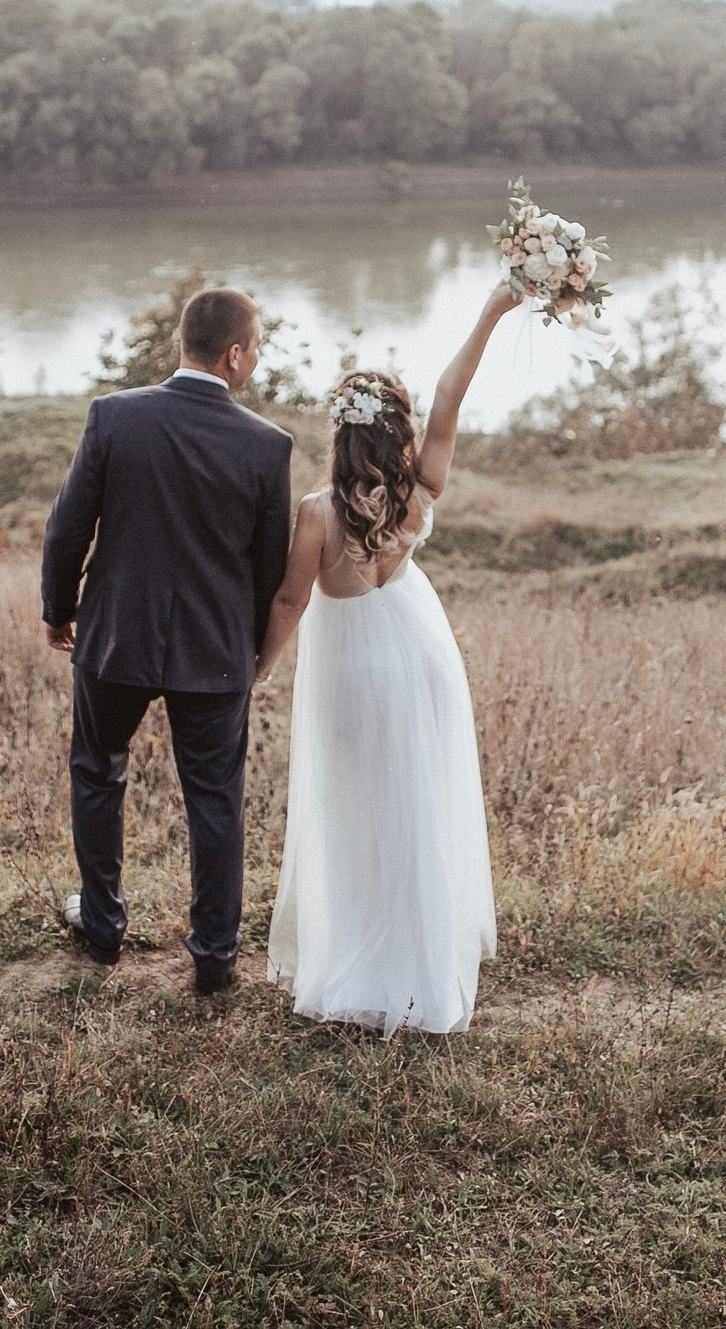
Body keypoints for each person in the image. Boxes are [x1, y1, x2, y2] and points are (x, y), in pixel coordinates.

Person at [256, 280, 522, 1035]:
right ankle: (423, 964)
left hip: (352, 668)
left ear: (339, 434)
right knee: (418, 805)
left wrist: (259, 667)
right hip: (420, 651)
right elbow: (451, 391)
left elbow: (287, 603)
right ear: (395, 431)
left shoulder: (316, 513)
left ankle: (362, 961)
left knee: (356, 809)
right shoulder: (418, 491)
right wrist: (494, 309)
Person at [41, 286, 293, 994]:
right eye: (257, 346)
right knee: (216, 797)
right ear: (234, 354)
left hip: (115, 637)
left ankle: (102, 923)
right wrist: (251, 651)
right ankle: (214, 956)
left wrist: (59, 608)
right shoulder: (267, 445)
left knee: (98, 769)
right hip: (215, 656)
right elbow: (269, 568)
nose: (256, 359)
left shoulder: (114, 417)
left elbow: (66, 528)